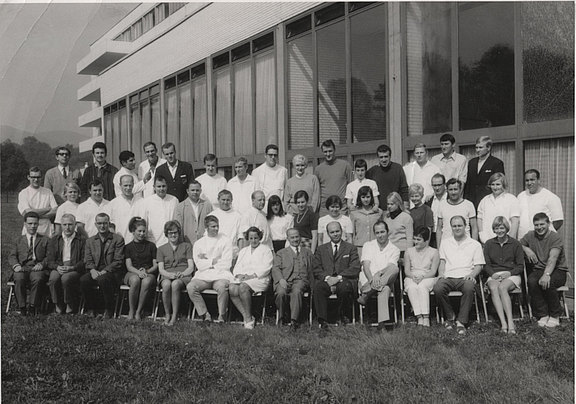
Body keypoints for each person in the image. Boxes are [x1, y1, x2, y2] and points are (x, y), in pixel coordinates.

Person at [433, 216, 485, 335]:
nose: (457, 228)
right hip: (449, 276)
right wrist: (441, 273)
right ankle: (450, 316)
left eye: (459, 225)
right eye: (454, 226)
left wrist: (472, 274)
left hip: (466, 276)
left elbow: (479, 265)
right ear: (451, 227)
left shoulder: (474, 244)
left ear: (465, 226)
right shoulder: (445, 243)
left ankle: (461, 321)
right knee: (438, 288)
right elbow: (442, 261)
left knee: (469, 287)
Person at [521, 213, 568, 329]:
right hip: (539, 268)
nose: (539, 227)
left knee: (549, 282)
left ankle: (555, 314)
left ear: (548, 224)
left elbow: (553, 258)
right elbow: (518, 244)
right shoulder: (531, 235)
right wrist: (527, 249)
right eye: (536, 225)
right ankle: (543, 314)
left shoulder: (555, 237)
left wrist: (546, 274)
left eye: (542, 224)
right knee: (532, 281)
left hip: (558, 270)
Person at [312, 222, 361, 329]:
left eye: (337, 231)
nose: (335, 234)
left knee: (344, 288)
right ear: (328, 234)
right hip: (327, 280)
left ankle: (343, 316)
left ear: (341, 231)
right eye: (332, 232)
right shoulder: (321, 249)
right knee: (318, 288)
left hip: (344, 279)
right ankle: (323, 321)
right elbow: (316, 268)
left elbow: (355, 267)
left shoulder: (350, 248)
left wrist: (338, 278)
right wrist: (328, 278)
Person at [187, 215, 234, 323]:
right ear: (206, 228)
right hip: (203, 276)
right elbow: (199, 265)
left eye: (217, 226)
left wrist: (207, 261)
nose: (216, 229)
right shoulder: (199, 243)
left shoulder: (226, 240)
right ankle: (205, 314)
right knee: (191, 287)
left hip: (221, 274)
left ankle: (222, 315)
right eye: (213, 226)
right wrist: (213, 261)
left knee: (222, 287)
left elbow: (226, 263)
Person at [483, 217, 524, 334]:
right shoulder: (489, 243)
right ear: (494, 230)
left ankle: (510, 322)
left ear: (506, 229)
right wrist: (493, 274)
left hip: (512, 274)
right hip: (494, 274)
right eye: (496, 228)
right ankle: (503, 323)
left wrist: (509, 273)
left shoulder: (515, 244)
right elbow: (486, 265)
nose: (499, 231)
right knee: (494, 287)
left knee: (502, 287)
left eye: (502, 228)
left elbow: (520, 266)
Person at [80, 213, 125, 319]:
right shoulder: (90, 241)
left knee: (103, 280)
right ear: (95, 224)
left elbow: (118, 260)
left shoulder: (118, 239)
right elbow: (88, 259)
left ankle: (108, 309)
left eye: (105, 223)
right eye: (99, 223)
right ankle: (91, 308)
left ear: (109, 224)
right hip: (95, 270)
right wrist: (92, 270)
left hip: (112, 272)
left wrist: (105, 270)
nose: (102, 226)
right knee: (83, 280)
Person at [357, 221, 401, 330]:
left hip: (384, 278)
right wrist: (372, 279)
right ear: (374, 234)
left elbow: (390, 268)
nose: (380, 235)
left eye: (382, 232)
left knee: (395, 269)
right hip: (368, 281)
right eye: (377, 233)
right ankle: (382, 326)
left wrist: (378, 274)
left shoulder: (394, 249)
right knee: (385, 289)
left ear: (388, 232)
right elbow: (366, 266)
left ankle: (367, 295)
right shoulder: (368, 245)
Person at [230, 226, 274, 329]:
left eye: (256, 238)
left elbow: (267, 267)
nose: (253, 240)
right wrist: (239, 275)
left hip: (260, 278)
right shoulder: (243, 251)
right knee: (232, 288)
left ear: (260, 238)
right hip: (244, 278)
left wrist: (251, 276)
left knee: (243, 287)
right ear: (248, 239)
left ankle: (248, 320)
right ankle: (246, 316)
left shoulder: (266, 250)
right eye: (251, 238)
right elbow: (237, 266)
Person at [8, 212, 50, 315]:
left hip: (37, 267)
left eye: (35, 223)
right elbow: (12, 255)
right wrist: (16, 265)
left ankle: (32, 306)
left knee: (38, 278)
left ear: (38, 224)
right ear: (25, 224)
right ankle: (22, 307)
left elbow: (50, 256)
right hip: (22, 267)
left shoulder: (45, 239)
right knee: (18, 278)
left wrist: (42, 264)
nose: (33, 226)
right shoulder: (18, 240)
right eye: (30, 223)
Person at [272, 228, 312, 329]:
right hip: (285, 280)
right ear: (288, 239)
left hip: (300, 280)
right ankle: (281, 317)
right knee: (281, 293)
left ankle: (294, 320)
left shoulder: (307, 252)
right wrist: (281, 279)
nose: (295, 239)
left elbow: (311, 268)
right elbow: (275, 268)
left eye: (297, 237)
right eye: (292, 237)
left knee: (297, 291)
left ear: (300, 237)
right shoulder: (281, 253)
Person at [157, 220, 195, 326]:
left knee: (175, 284)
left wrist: (182, 274)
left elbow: (191, 266)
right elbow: (161, 269)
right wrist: (169, 275)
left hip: (184, 275)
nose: (173, 235)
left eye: (175, 232)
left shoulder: (187, 246)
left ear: (179, 233)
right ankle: (167, 314)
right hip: (167, 274)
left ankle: (174, 315)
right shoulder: (161, 249)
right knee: (166, 284)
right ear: (166, 234)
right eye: (170, 233)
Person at [46, 213, 85, 315]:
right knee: (53, 278)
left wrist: (73, 267)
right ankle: (57, 303)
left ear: (75, 225)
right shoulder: (54, 239)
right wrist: (57, 267)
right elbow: (50, 259)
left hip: (74, 268)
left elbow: (84, 260)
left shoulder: (82, 240)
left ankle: (69, 304)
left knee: (66, 278)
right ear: (61, 225)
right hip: (58, 266)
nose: (67, 227)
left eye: (70, 224)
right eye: (65, 225)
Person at [403, 227, 439, 327]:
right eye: (414, 239)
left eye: (419, 239)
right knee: (412, 287)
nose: (415, 242)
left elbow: (433, 271)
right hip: (412, 276)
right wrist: (413, 276)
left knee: (422, 286)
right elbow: (407, 271)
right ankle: (419, 316)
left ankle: (426, 317)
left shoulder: (434, 252)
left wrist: (422, 277)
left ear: (426, 240)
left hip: (428, 277)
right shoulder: (409, 252)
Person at [123, 217, 158, 320]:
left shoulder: (151, 246)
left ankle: (139, 311)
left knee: (146, 282)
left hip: (148, 272)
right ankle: (131, 310)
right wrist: (138, 272)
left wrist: (146, 271)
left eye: (144, 231)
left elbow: (155, 265)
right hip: (132, 272)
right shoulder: (128, 247)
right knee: (135, 280)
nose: (142, 233)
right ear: (133, 231)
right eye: (139, 231)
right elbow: (129, 266)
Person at [517, 169, 564, 239]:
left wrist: (544, 235)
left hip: (542, 241)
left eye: (532, 180)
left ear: (538, 180)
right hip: (523, 240)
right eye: (527, 180)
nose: (529, 183)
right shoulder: (520, 196)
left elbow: (558, 221)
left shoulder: (551, 197)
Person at [463, 136, 505, 209]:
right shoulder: (471, 162)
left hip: (489, 201)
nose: (478, 150)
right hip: (472, 202)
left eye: (480, 147)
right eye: (476, 147)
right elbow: (468, 184)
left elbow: (499, 184)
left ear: (488, 148)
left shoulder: (496, 163)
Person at [477, 173, 519, 243]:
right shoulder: (485, 200)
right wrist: (482, 236)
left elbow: (515, 222)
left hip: (506, 241)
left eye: (498, 184)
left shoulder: (511, 199)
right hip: (487, 240)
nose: (495, 187)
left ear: (503, 185)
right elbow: (479, 219)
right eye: (493, 184)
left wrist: (510, 241)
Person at [314, 140, 353, 216]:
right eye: (325, 152)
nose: (328, 154)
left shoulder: (345, 165)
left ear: (334, 150)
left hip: (341, 208)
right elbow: (316, 191)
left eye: (330, 151)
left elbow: (351, 186)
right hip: (324, 209)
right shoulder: (318, 169)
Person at [137, 175, 179, 246]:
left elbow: (177, 220)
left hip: (171, 240)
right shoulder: (147, 201)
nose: (161, 189)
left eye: (163, 186)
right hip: (153, 241)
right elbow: (144, 222)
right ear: (154, 187)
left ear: (167, 186)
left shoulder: (174, 200)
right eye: (159, 186)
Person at [436, 178, 477, 248]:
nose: (453, 192)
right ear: (447, 190)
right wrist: (439, 247)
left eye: (455, 189)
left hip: (465, 245)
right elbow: (439, 228)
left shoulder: (468, 204)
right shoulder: (442, 205)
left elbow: (474, 227)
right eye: (450, 190)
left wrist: (474, 246)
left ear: (460, 190)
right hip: (447, 245)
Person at [18, 166, 58, 237]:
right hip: (30, 229)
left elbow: (55, 210)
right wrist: (47, 209)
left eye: (38, 177)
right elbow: (29, 212)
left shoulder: (47, 191)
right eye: (33, 177)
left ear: (41, 177)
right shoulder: (23, 193)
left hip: (46, 230)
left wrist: (37, 215)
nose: (36, 180)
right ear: (28, 177)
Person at [366, 144, 409, 209]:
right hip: (378, 210)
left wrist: (405, 207)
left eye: (386, 156)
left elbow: (404, 189)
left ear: (390, 156)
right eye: (381, 157)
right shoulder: (372, 171)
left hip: (396, 209)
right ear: (378, 158)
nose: (384, 159)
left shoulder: (398, 168)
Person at [173, 180, 213, 245]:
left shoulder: (207, 205)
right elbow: (178, 227)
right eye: (192, 190)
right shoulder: (180, 207)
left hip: (205, 243)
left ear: (200, 191)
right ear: (187, 191)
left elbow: (211, 224)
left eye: (197, 190)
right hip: (187, 243)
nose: (195, 192)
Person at [107, 175, 143, 243]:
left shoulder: (141, 202)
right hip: (121, 243)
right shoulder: (113, 204)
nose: (128, 188)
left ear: (133, 185)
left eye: (130, 185)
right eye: (125, 185)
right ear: (120, 185)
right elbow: (110, 225)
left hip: (138, 242)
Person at [350, 186, 384, 256]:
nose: (366, 199)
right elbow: (352, 233)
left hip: (376, 245)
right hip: (360, 246)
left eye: (368, 197)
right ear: (359, 198)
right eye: (363, 197)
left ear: (371, 197)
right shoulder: (354, 213)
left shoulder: (379, 212)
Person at [210, 190, 242, 257]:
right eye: (223, 199)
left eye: (228, 200)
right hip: (215, 254)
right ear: (218, 200)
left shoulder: (238, 216)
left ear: (231, 200)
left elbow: (240, 237)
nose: (225, 202)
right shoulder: (212, 215)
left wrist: (240, 255)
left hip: (232, 253)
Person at [430, 173, 447, 247]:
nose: (437, 188)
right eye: (434, 185)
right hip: (432, 236)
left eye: (439, 185)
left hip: (447, 235)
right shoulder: (428, 201)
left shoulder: (450, 199)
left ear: (444, 185)